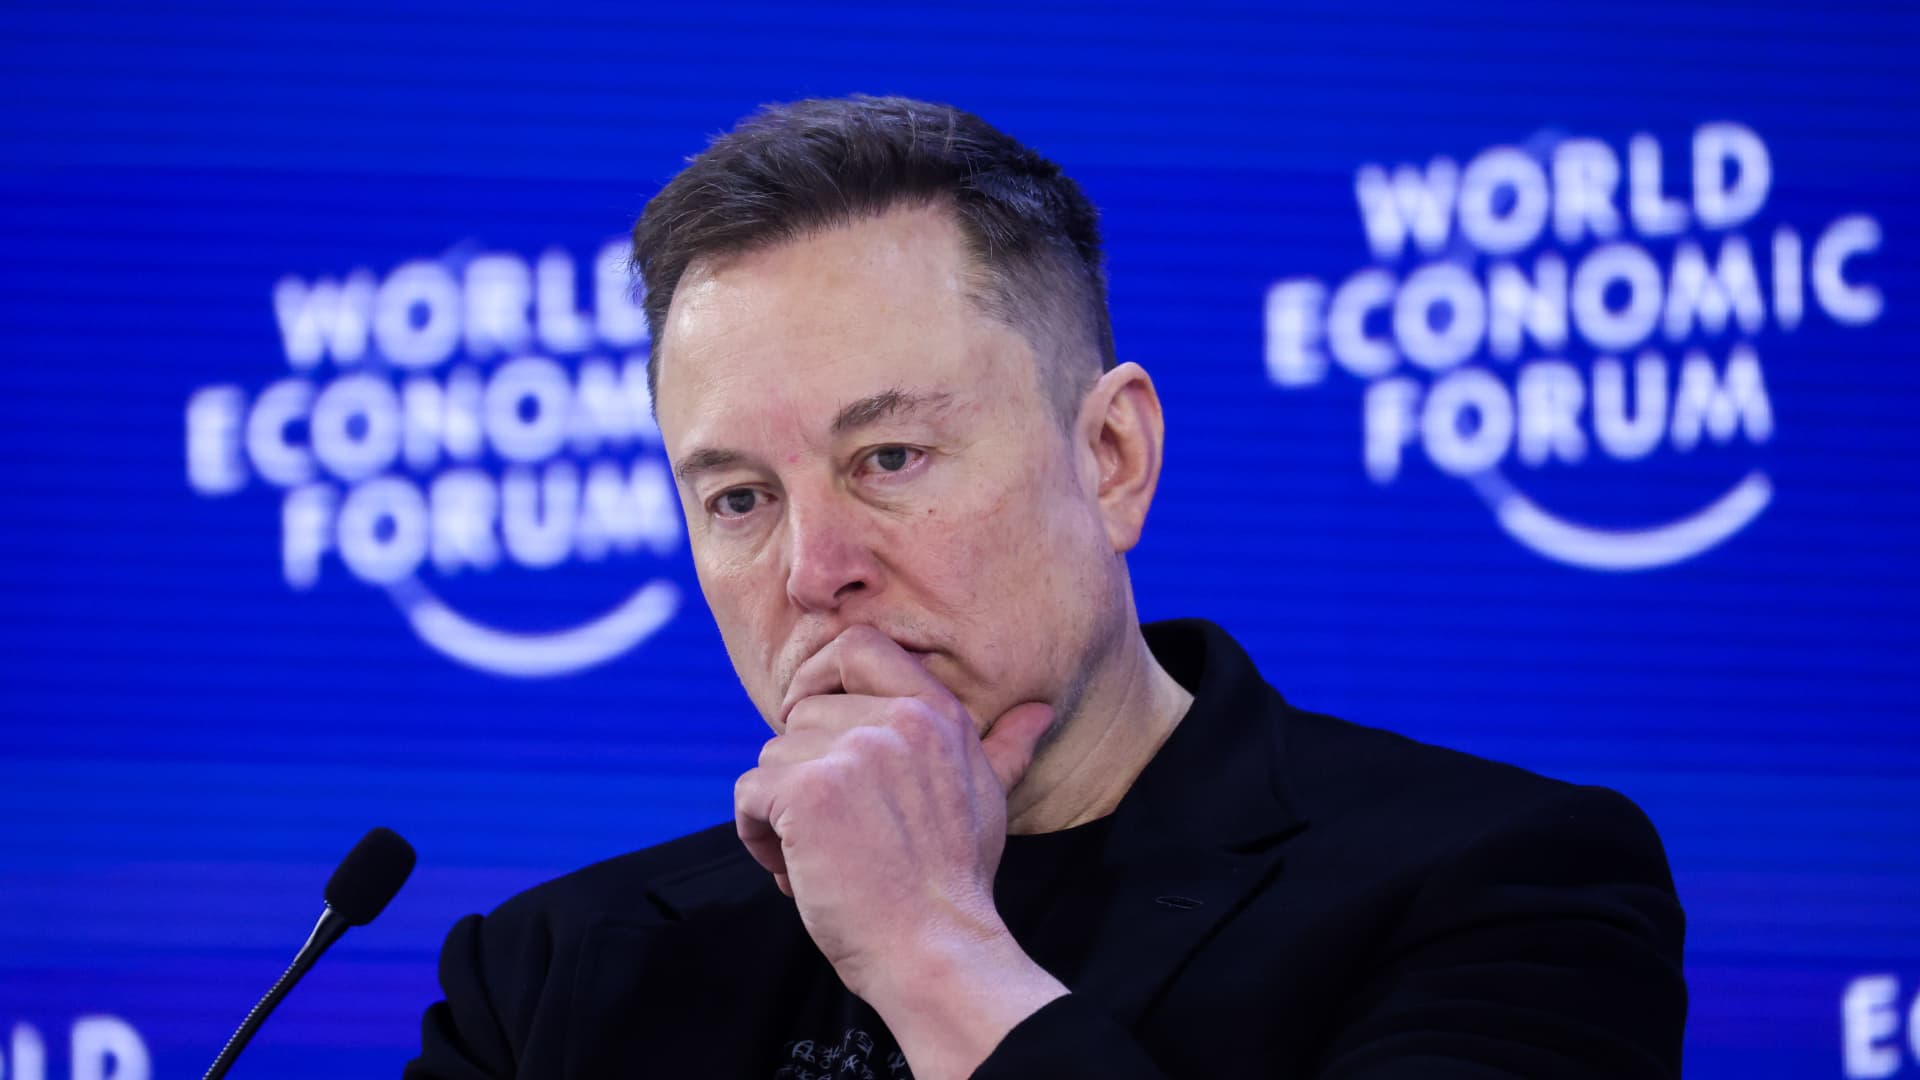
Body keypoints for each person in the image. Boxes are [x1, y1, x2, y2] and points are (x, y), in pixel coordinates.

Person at [406, 95, 1687, 1079]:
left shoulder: (1500, 889)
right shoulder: (548, 980)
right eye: (740, 497)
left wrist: (932, 951)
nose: (813, 570)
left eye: (889, 458)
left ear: (1112, 457)